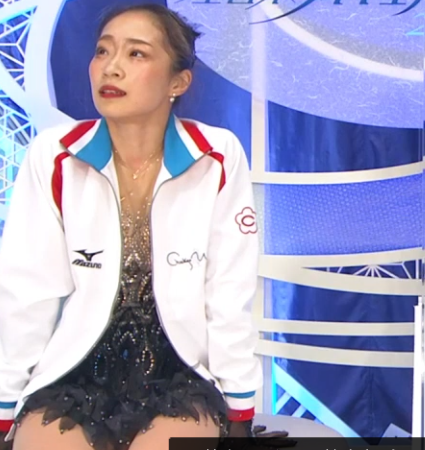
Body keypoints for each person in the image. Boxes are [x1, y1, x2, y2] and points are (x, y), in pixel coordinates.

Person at [0, 5, 286, 449]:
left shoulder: (217, 156)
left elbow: (228, 295)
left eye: (136, 54)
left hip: (180, 374)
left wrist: (239, 411)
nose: (111, 67)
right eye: (103, 51)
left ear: (178, 82)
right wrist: (4, 408)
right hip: (74, 371)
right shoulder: (53, 155)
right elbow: (27, 294)